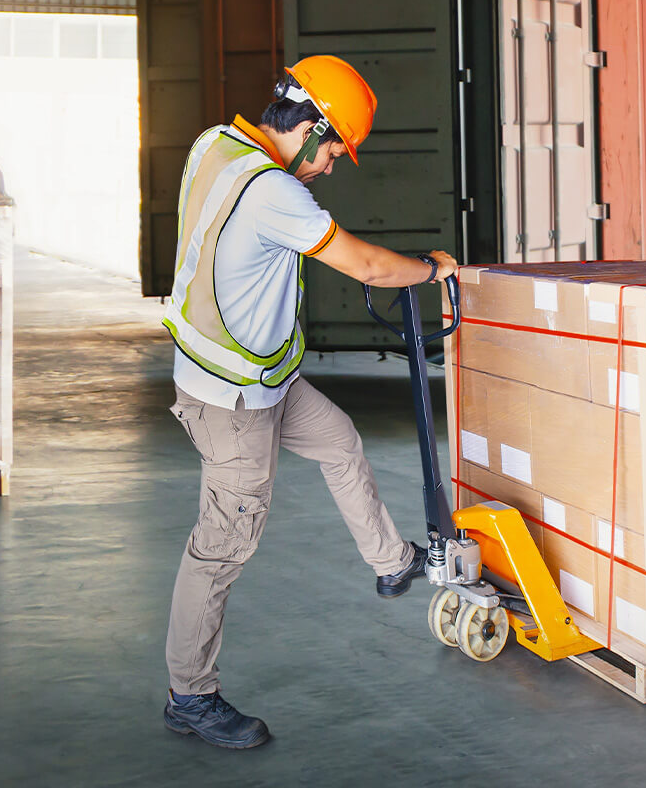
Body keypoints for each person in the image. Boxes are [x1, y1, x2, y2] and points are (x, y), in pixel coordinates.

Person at [159, 55, 458, 750]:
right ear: (312, 127)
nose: (330, 167)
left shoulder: (215, 145)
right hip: (231, 397)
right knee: (223, 545)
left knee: (338, 439)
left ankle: (391, 563)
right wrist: (435, 269)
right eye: (334, 150)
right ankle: (190, 697)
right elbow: (368, 267)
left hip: (262, 375)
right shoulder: (274, 193)